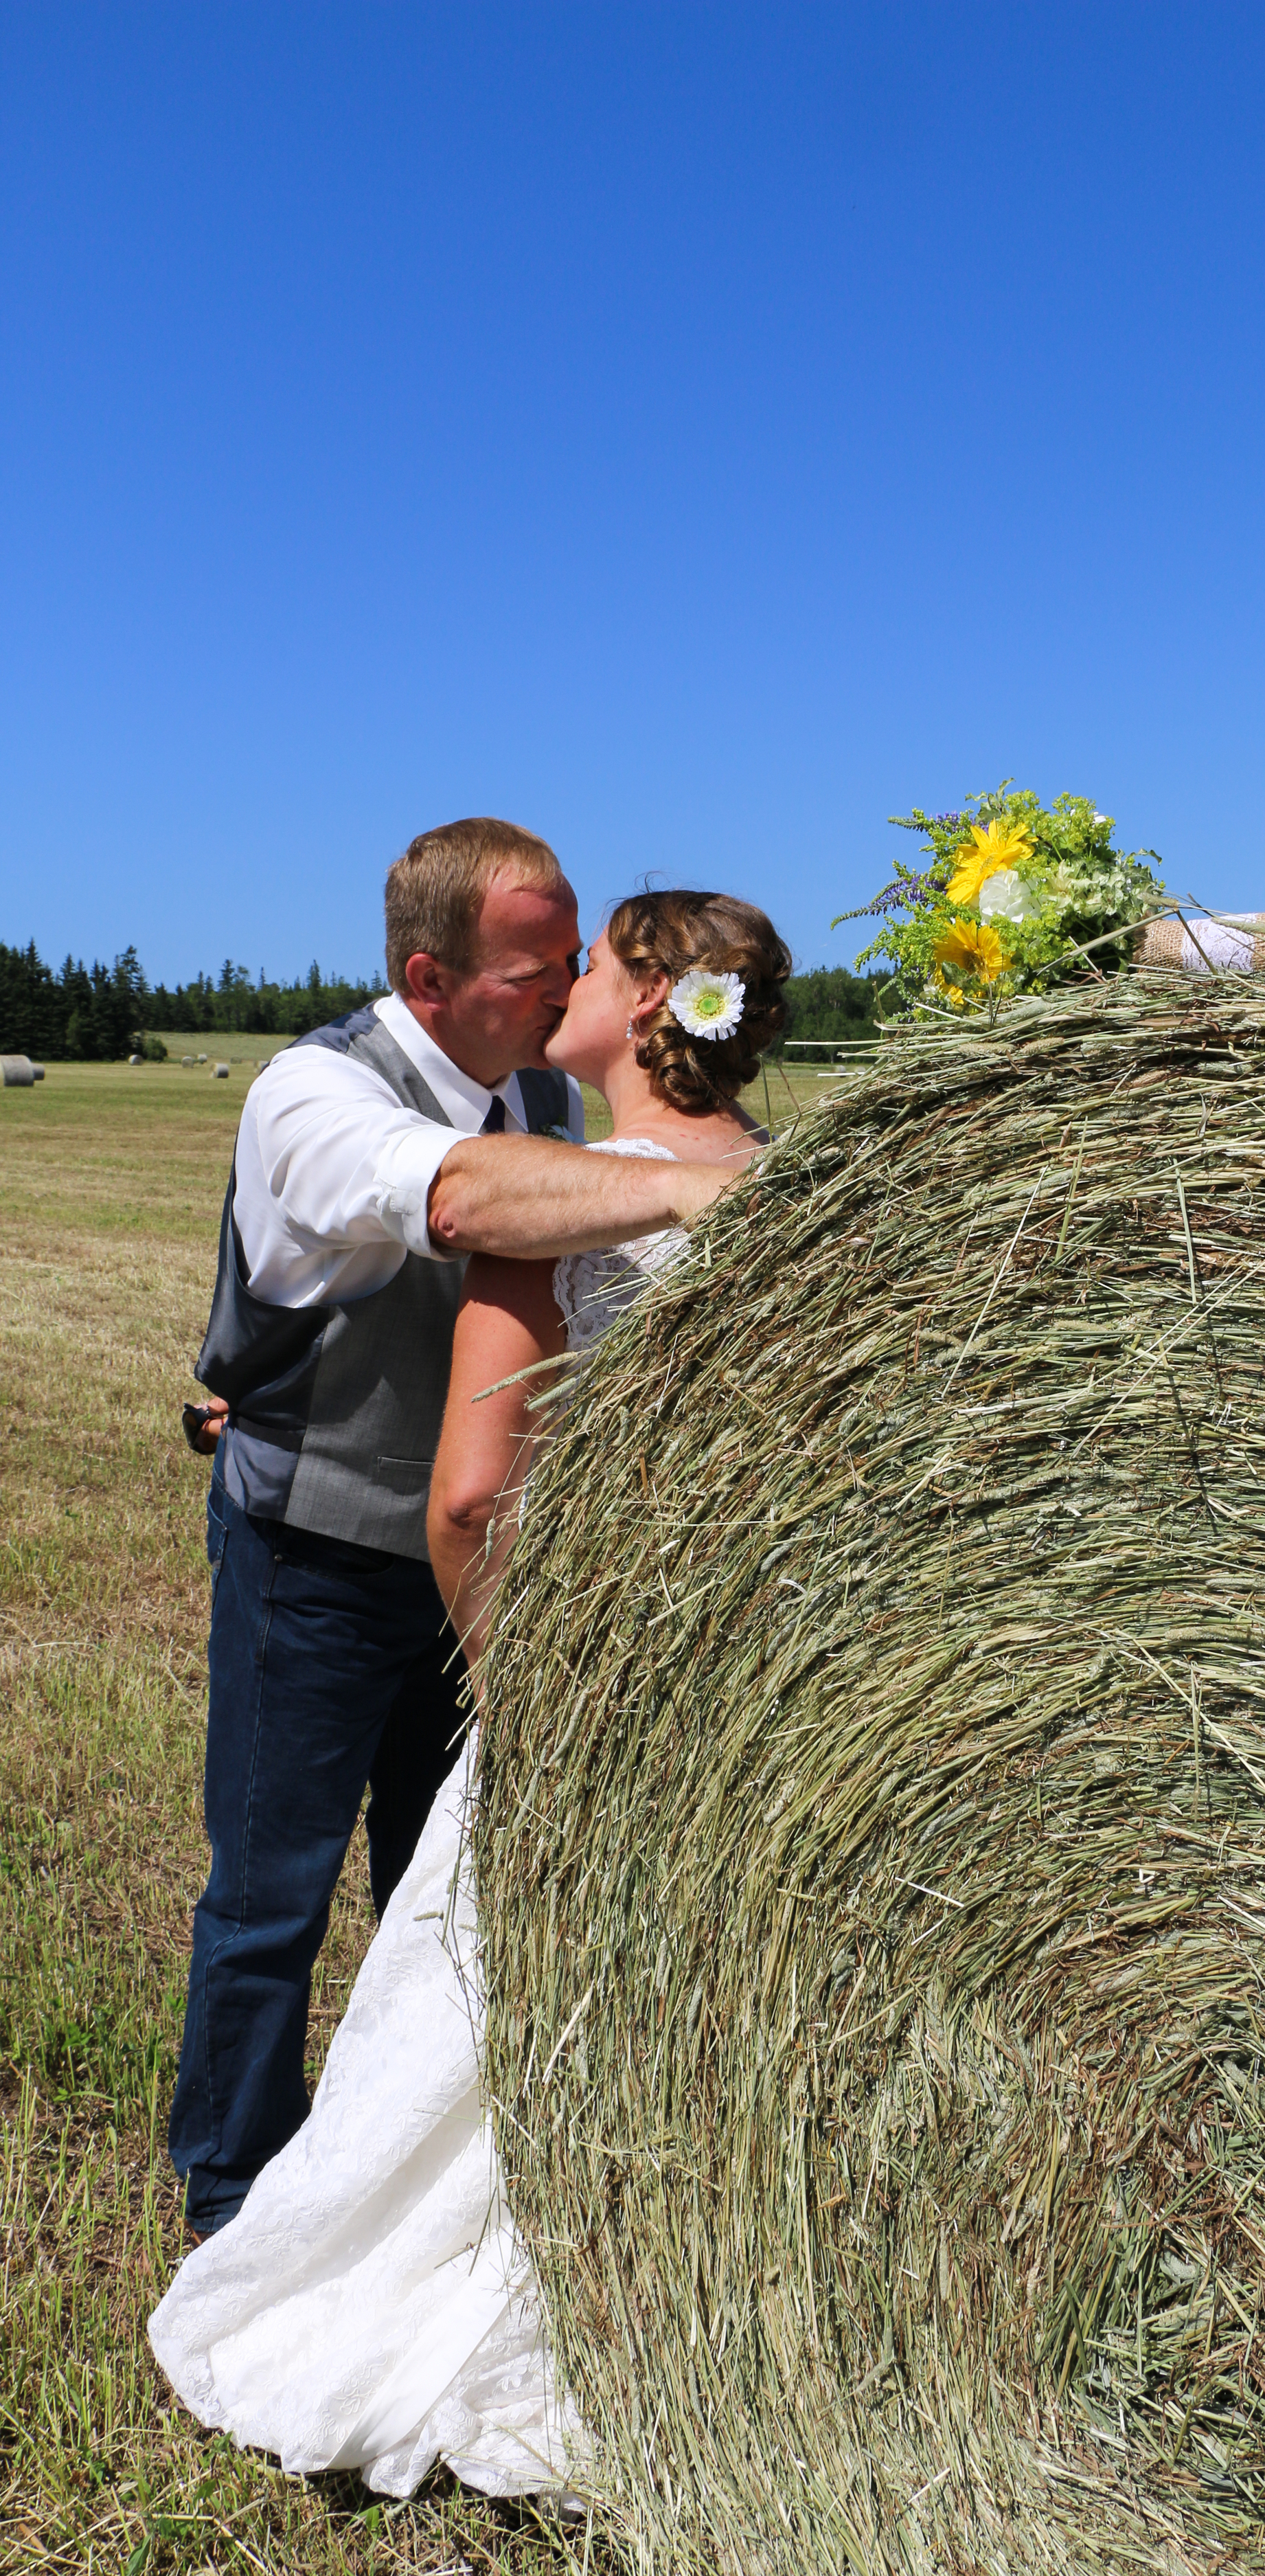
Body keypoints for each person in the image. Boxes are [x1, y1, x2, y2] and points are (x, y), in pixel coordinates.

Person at [149, 892, 789, 2503]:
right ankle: (229, 2185)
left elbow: (468, 1498)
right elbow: (436, 1200)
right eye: (539, 960)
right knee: (271, 1898)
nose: (562, 984)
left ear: (639, 1001)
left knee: (455, 1930)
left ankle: (389, 2248)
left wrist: (519, 1678)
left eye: (587, 961)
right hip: (318, 1557)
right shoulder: (321, 1087)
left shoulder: (557, 1130)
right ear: (437, 976)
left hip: (511, 1615)